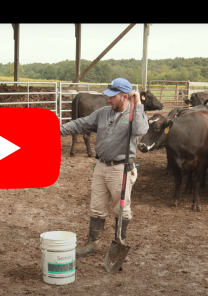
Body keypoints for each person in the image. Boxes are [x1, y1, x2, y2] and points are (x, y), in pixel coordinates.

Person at [60, 78, 149, 258]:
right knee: (97, 207)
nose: (108, 100)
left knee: (121, 209)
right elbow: (80, 123)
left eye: (112, 97)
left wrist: (138, 103)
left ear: (125, 97)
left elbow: (140, 130)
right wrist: (56, 129)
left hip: (121, 168)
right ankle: (93, 243)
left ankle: (119, 242)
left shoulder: (134, 115)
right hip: (101, 166)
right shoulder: (103, 113)